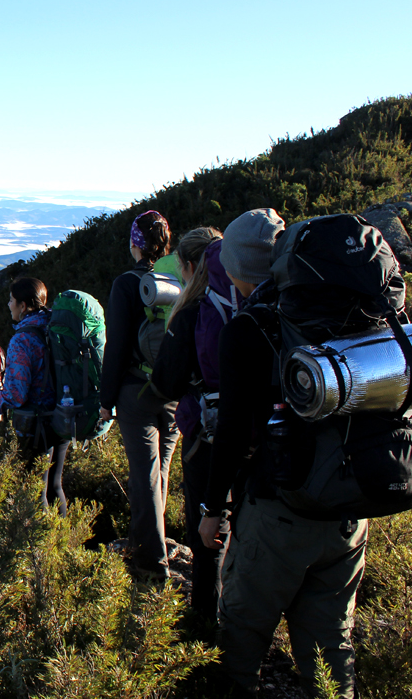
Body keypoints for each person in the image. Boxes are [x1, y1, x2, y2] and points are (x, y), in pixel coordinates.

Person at [199, 208, 367, 698]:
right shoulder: (346, 310)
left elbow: (230, 432)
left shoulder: (249, 329)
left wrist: (212, 510)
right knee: (332, 650)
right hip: (349, 509)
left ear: (236, 269)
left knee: (240, 641)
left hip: (280, 508)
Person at [149, 226, 224, 626]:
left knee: (205, 532)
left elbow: (167, 383)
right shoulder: (249, 303)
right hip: (258, 433)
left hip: (206, 436)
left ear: (191, 266)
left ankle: (204, 622)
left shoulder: (192, 314)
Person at [99, 209, 180, 580]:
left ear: (135, 243)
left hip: (136, 392)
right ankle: (147, 539)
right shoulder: (179, 278)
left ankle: (151, 564)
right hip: (174, 391)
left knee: (144, 477)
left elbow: (115, 347)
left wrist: (105, 400)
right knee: (159, 473)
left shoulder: (127, 284)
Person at [0, 276, 67, 514]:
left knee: (33, 490)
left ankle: (39, 548)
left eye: (11, 300)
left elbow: (17, 395)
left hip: (35, 427)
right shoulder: (55, 327)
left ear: (23, 306)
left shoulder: (22, 339)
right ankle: (61, 542)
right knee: (55, 486)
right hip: (62, 415)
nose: (8, 305)